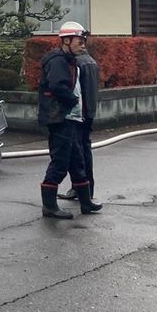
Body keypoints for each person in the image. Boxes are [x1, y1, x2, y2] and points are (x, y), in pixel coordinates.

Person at [37, 21, 102, 219]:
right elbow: (58, 86)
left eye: (83, 41)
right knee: (60, 163)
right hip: (60, 119)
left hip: (72, 119)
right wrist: (73, 100)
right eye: (79, 41)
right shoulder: (57, 61)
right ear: (66, 41)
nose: (83, 45)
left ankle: (85, 202)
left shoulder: (70, 60)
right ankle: (49, 206)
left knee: (77, 162)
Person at [59, 46, 99, 203]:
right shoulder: (89, 62)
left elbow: (81, 91)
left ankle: (81, 188)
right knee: (83, 151)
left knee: (79, 152)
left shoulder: (80, 63)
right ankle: (84, 189)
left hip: (80, 114)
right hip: (87, 112)